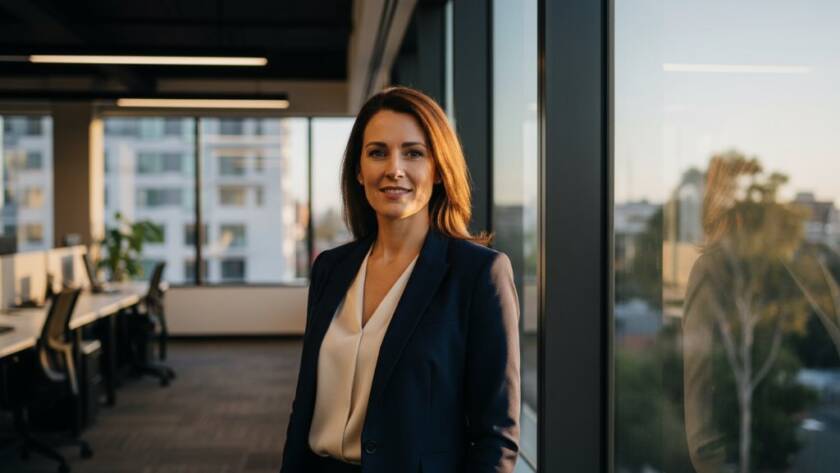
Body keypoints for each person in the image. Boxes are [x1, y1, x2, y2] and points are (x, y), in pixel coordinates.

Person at [279, 86, 520, 473]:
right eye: (377, 152)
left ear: (439, 169)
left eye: (413, 153)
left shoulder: (478, 274)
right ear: (359, 170)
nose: (394, 168)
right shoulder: (331, 268)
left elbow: (496, 434)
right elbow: (305, 403)